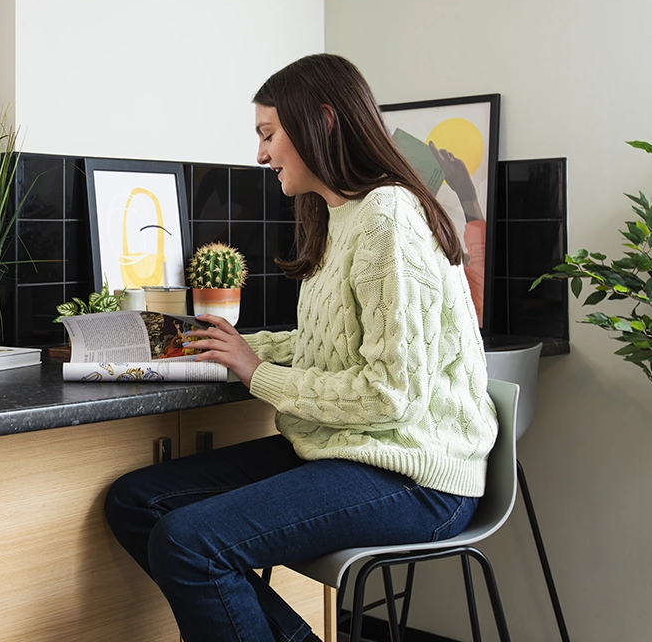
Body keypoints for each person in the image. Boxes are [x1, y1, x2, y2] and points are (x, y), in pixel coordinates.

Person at [103, 54, 498, 642]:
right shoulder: (339, 215)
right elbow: (329, 341)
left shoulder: (389, 217)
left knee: (190, 545)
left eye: (267, 135)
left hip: (415, 471)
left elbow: (391, 394)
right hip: (349, 448)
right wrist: (219, 346)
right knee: (137, 502)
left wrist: (257, 373)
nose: (260, 154)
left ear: (322, 121)